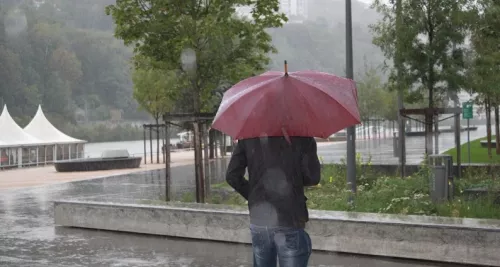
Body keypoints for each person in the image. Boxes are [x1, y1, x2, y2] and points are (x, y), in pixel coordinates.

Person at [226, 136, 321, 267]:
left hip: (260, 219)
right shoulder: (302, 137)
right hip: (290, 217)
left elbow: (232, 176)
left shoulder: (249, 137)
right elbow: (313, 178)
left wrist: (255, 196)